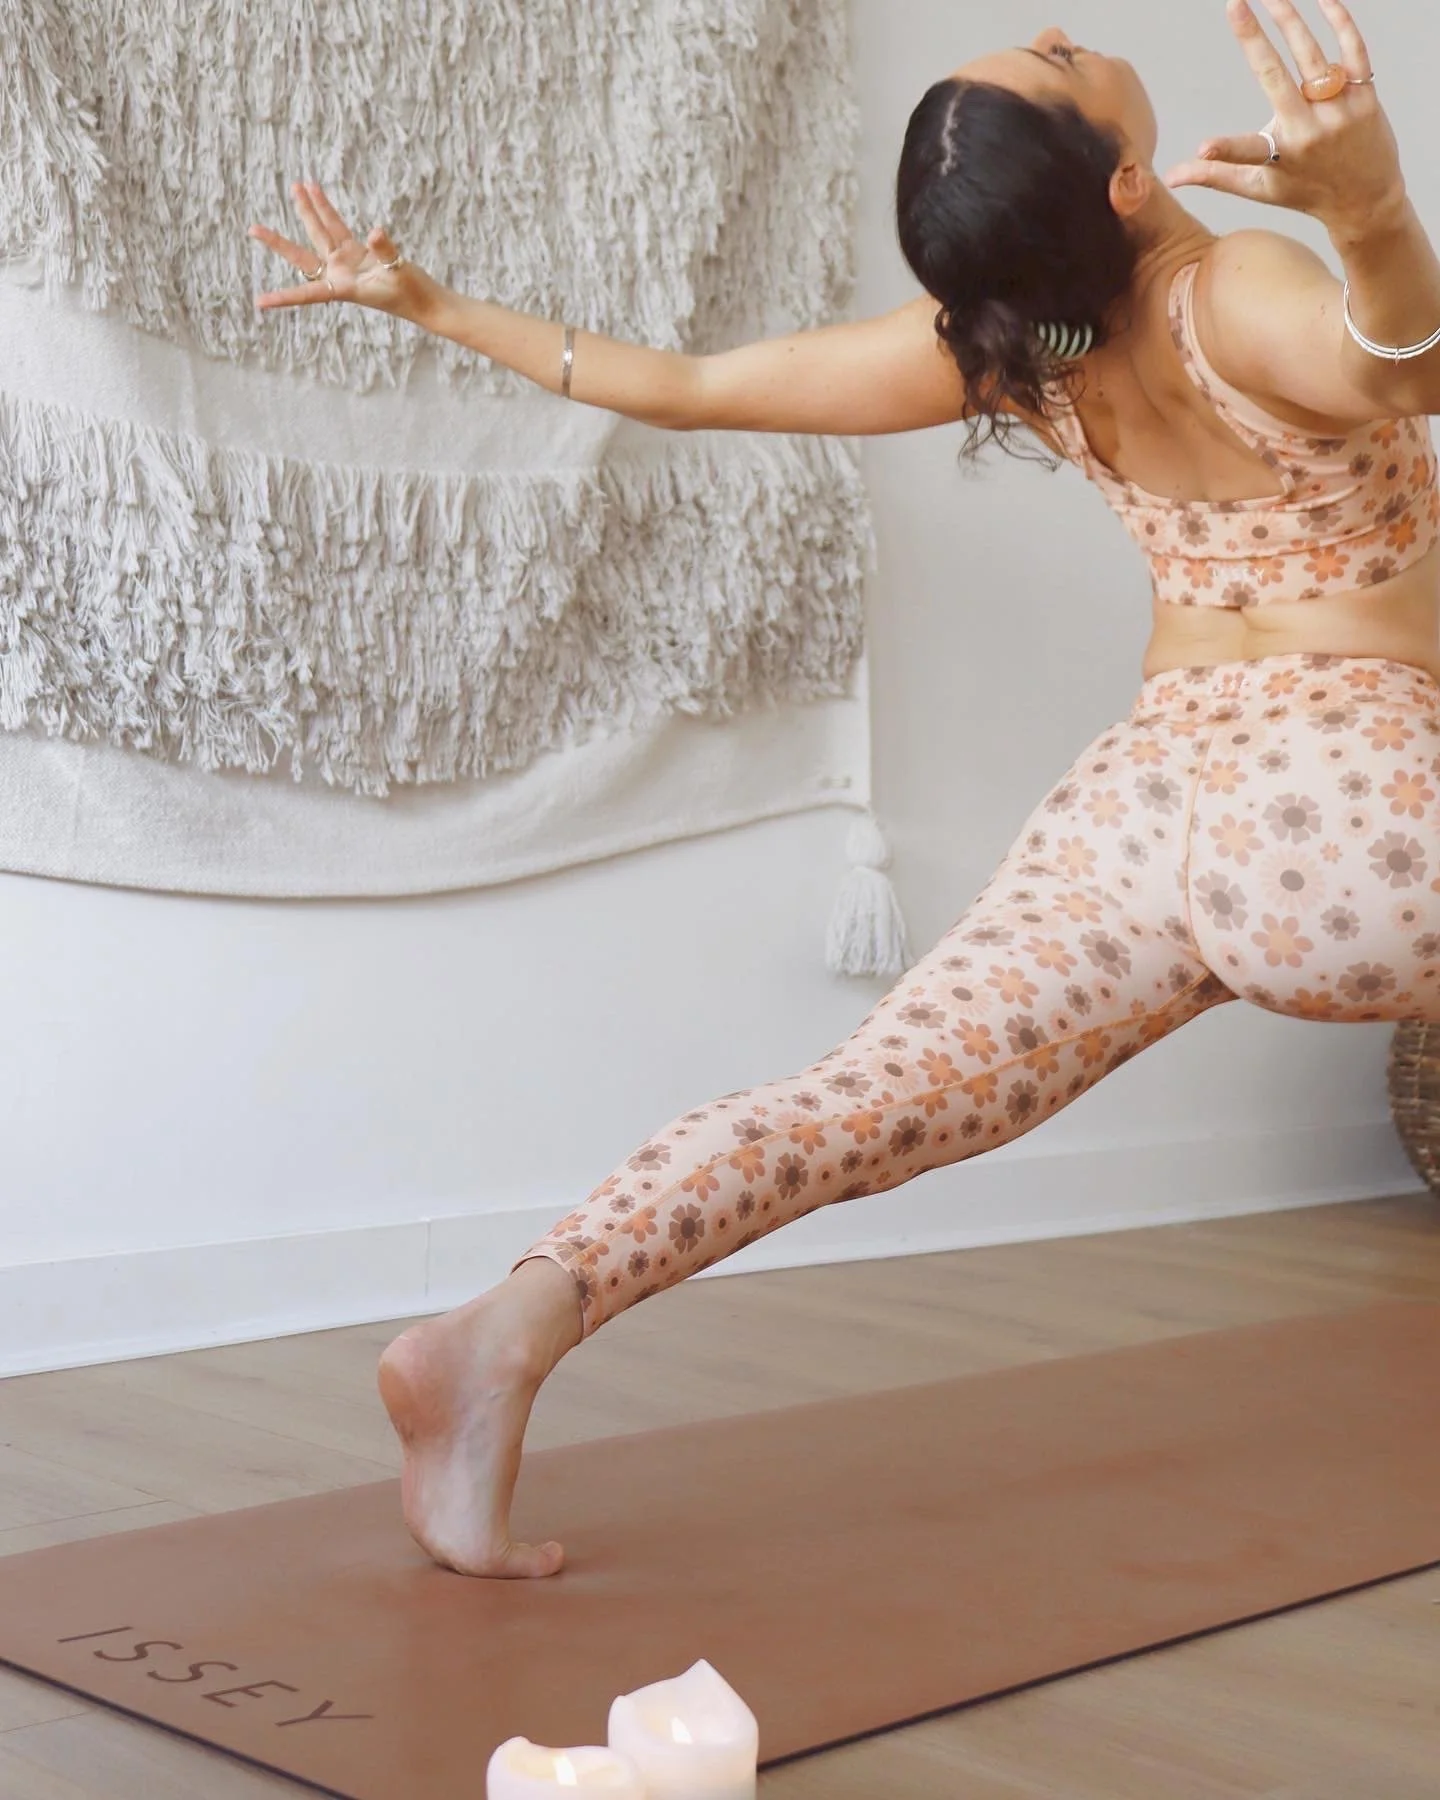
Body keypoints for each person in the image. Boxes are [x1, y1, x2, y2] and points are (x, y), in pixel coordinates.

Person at [251, 0, 1440, 1578]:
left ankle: (504, 1330)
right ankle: (498, 1344)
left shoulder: (1017, 354)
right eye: (1066, 64)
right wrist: (1366, 206)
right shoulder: (1235, 286)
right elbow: (1401, 372)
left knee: (864, 1101)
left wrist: (429, 302)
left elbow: (686, 388)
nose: (1064, 27)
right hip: (1352, 794)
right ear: (1132, 185)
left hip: (1158, 791)